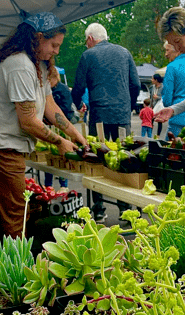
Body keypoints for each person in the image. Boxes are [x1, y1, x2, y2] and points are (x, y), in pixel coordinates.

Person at [0, 12, 86, 239]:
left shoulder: (37, 66)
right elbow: (28, 121)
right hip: (2, 146)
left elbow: (49, 105)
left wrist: (74, 133)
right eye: (53, 45)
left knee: (0, 203)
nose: (56, 51)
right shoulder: (20, 65)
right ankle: (17, 265)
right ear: (37, 38)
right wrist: (60, 141)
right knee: (17, 211)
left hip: (5, 144)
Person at [71, 22, 141, 222]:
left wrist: (78, 104)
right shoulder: (124, 53)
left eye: (86, 41)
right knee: (124, 159)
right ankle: (125, 209)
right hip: (121, 116)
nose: (86, 45)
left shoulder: (88, 56)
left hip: (99, 114)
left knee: (97, 160)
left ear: (91, 39)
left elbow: (78, 87)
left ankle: (99, 209)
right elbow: (135, 84)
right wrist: (126, 104)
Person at [44, 68, 78, 191]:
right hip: (48, 127)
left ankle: (64, 185)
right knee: (51, 157)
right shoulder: (47, 90)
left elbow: (66, 109)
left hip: (62, 127)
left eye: (49, 80)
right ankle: (48, 185)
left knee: (63, 155)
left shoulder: (63, 89)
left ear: (54, 78)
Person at [162, 41, 185, 138]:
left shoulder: (172, 67)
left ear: (177, 50)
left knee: (172, 149)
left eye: (167, 50)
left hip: (177, 118)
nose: (166, 54)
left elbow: (167, 100)